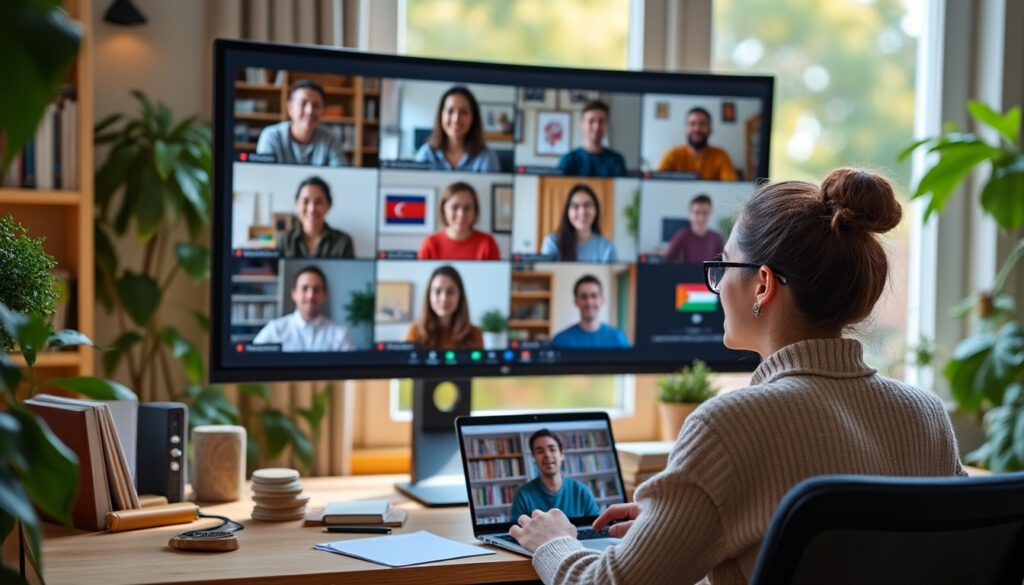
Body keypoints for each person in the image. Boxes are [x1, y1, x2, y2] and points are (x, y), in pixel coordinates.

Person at [510, 168, 965, 585]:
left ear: (763, 285)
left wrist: (553, 541)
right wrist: (677, 520)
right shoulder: (926, 416)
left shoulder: (728, 427)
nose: (718, 283)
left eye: (724, 265)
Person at [252, 266, 355, 352]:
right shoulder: (274, 330)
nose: (310, 296)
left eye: (317, 289)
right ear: (294, 293)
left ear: (324, 295)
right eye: (304, 288)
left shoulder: (340, 334)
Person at [510, 429, 600, 520]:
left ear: (561, 455)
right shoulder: (523, 495)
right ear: (534, 457)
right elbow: (517, 531)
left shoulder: (581, 491)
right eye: (540, 451)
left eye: (552, 449)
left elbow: (597, 526)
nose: (547, 455)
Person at [256, 79, 346, 166]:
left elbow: (341, 175)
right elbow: (265, 175)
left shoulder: (330, 138)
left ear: (322, 110)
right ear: (290, 108)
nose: (310, 111)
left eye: (316, 105)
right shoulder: (271, 136)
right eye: (303, 103)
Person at [414, 86, 501, 172]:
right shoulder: (426, 154)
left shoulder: (486, 157)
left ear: (473, 117)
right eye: (450, 111)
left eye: (464, 112)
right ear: (441, 114)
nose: (456, 119)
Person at [404, 265, 483, 350]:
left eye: (450, 291)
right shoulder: (415, 332)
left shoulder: (475, 334)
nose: (444, 298)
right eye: (437, 291)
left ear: (460, 296)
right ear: (429, 295)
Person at [417, 182, 500, 260]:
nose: (461, 214)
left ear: (475, 210)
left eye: (467, 208)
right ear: (443, 209)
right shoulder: (430, 244)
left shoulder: (488, 243)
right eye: (455, 207)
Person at [276, 176, 355, 258]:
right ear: (297, 204)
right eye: (305, 202)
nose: (311, 209)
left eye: (318, 202)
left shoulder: (343, 241)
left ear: (328, 205)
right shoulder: (283, 239)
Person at [657, 106, 738, 180]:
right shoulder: (672, 154)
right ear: (686, 129)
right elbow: (656, 182)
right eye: (692, 124)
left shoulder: (721, 155)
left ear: (710, 129)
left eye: (702, 124)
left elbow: (731, 185)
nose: (697, 129)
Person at [541, 185, 616, 262]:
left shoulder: (607, 246)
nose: (582, 212)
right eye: (575, 206)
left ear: (596, 209)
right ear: (567, 211)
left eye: (587, 205)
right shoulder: (552, 242)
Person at [550, 275, 629, 349]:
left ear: (601, 300)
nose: (589, 302)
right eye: (583, 297)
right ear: (576, 302)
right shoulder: (560, 341)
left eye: (594, 296)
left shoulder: (618, 339)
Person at [557, 100, 627, 177]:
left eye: (601, 121)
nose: (596, 127)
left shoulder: (616, 160)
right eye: (591, 121)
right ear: (582, 124)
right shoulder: (568, 160)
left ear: (607, 124)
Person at [662, 194, 725, 263]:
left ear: (710, 214)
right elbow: (666, 261)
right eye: (697, 212)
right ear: (690, 214)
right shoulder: (681, 236)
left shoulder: (717, 238)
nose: (701, 218)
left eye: (705, 213)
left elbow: (723, 263)